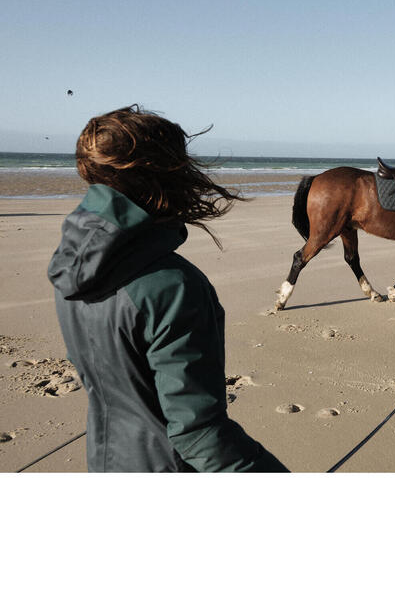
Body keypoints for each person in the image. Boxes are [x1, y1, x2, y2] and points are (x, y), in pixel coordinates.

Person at [47, 104, 289, 472]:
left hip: (105, 459)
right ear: (164, 174)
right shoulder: (173, 286)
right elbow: (197, 433)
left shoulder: (70, 267)